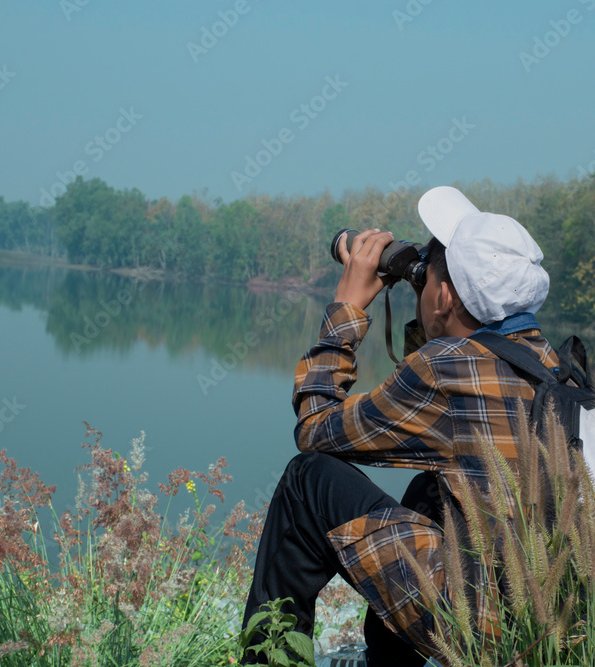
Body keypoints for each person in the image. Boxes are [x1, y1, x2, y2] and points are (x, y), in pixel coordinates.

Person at [240, 186, 561, 665]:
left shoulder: (447, 372)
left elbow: (316, 427)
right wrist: (430, 300)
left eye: (429, 272)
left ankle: (268, 658)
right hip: (560, 621)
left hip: (484, 633)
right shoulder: (561, 369)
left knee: (308, 479)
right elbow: (438, 421)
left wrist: (347, 310)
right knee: (428, 495)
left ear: (446, 295)